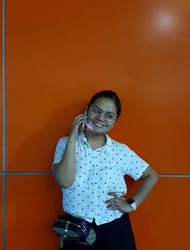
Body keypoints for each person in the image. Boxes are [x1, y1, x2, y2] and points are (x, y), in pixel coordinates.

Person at [52, 90, 158, 250]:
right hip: (76, 228)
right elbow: (64, 181)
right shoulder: (65, 143)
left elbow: (151, 176)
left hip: (114, 227)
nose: (101, 118)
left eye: (109, 115)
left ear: (114, 121)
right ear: (87, 111)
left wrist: (131, 205)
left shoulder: (120, 151)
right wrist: (73, 135)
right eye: (97, 110)